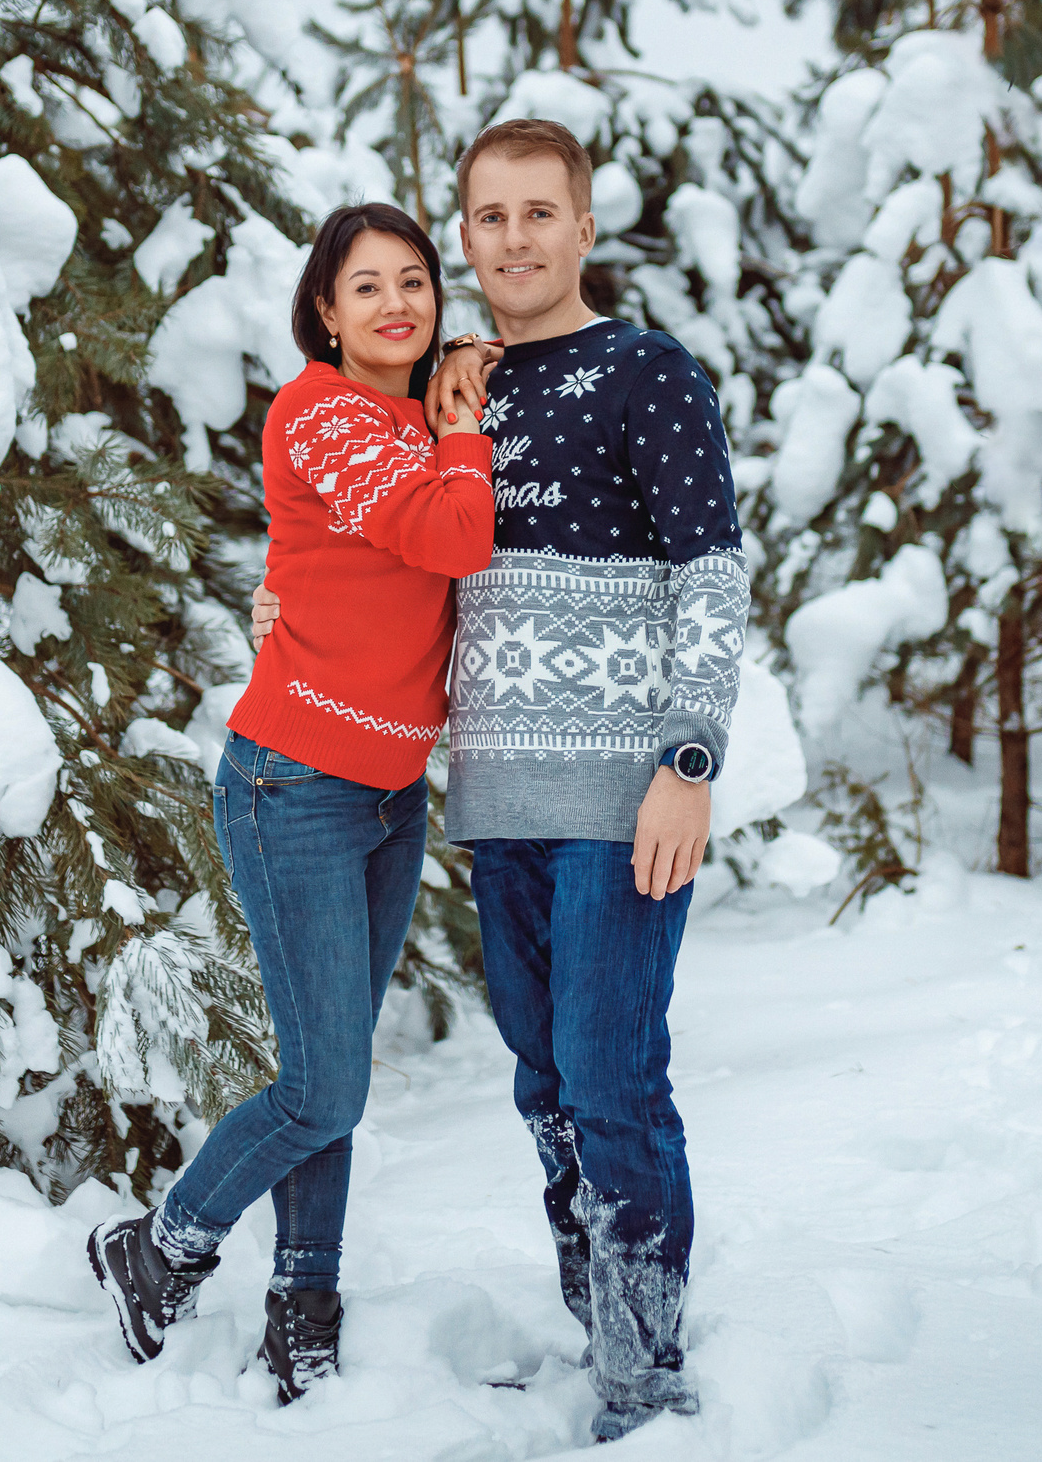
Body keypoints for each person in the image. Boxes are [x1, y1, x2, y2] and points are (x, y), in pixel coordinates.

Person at [251, 121, 747, 1441]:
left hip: (621, 794)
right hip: (497, 798)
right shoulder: (442, 384)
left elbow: (712, 573)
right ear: (462, 234)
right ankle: (599, 1325)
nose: (515, 238)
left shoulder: (647, 373)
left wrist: (690, 756)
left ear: (584, 225)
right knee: (543, 1075)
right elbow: (371, 544)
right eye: (489, 216)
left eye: (541, 212)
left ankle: (646, 1374)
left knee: (610, 1069)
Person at [87, 201, 495, 1404]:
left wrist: (462, 400)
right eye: (365, 287)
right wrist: (462, 423)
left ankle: (301, 1302)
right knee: (323, 1085)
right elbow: (446, 534)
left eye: (414, 281)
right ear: (325, 310)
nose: (396, 305)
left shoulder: (413, 415)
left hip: (386, 793)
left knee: (332, 1066)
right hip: (293, 786)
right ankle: (159, 1246)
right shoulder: (321, 408)